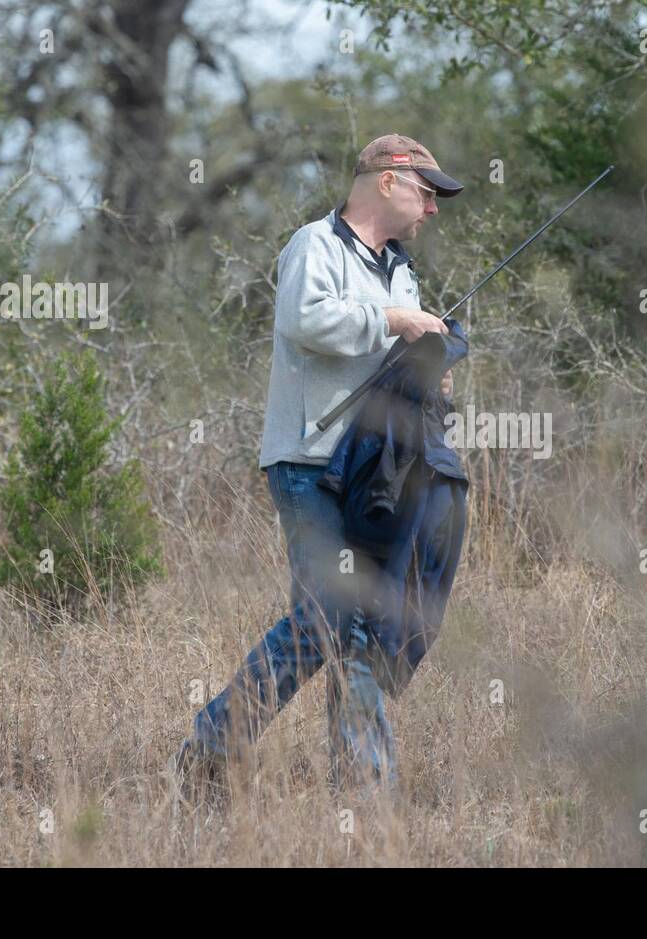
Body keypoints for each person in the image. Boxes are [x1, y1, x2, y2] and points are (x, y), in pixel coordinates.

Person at [170, 134, 464, 802]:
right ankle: (210, 747)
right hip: (307, 467)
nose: (434, 209)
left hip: (374, 472)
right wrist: (398, 320)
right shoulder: (315, 246)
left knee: (355, 624)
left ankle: (364, 788)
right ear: (389, 180)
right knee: (331, 612)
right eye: (427, 192)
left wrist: (428, 373)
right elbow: (308, 321)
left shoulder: (401, 269)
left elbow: (386, 350)